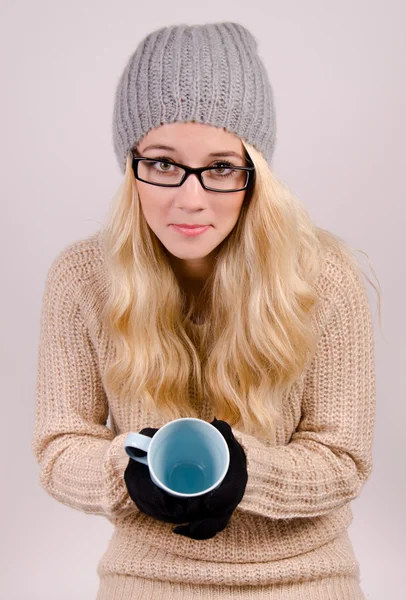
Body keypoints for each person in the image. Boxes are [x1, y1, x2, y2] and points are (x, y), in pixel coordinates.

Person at [32, 21, 380, 600]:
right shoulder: (82, 280)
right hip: (145, 578)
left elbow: (343, 459)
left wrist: (249, 474)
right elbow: (58, 445)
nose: (190, 199)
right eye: (165, 164)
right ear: (132, 165)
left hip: (306, 577)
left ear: (255, 174)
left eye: (220, 167)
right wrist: (125, 470)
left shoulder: (324, 280)